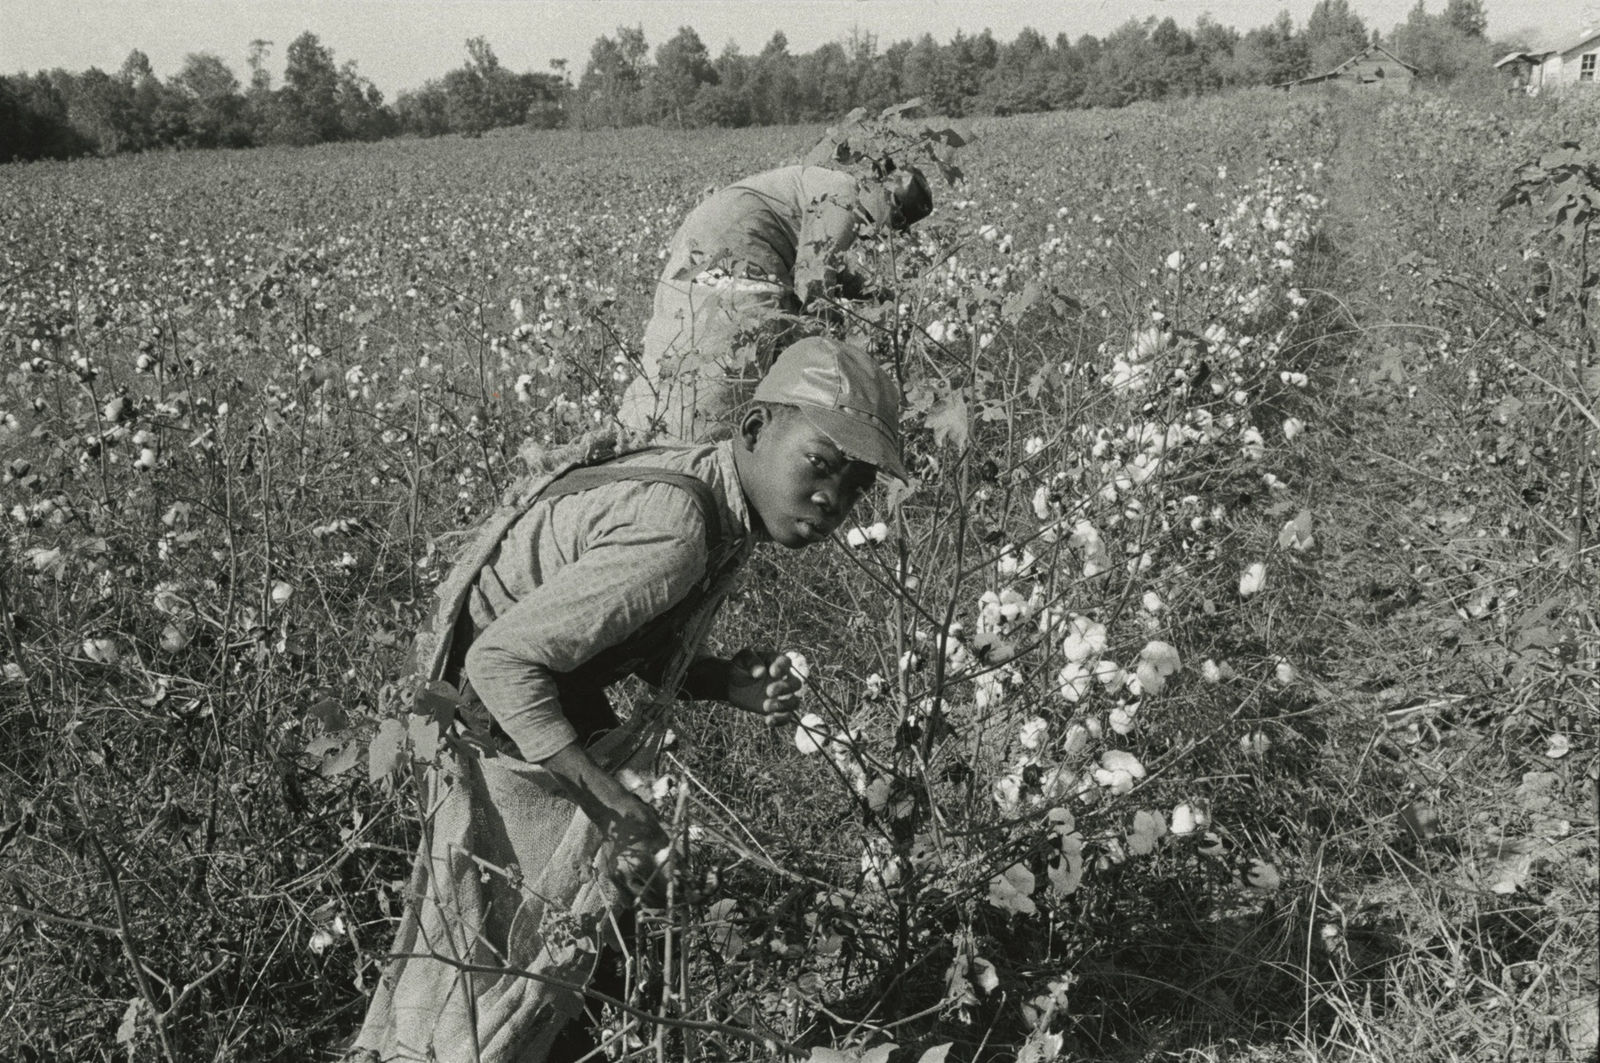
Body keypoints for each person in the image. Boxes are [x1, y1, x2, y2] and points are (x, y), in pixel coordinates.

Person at [350, 336, 909, 1063]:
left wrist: (716, 680)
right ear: (754, 428)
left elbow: (607, 629)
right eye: (820, 464)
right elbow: (502, 661)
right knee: (509, 977)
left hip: (526, 692)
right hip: (496, 710)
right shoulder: (677, 532)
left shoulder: (719, 494)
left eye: (856, 484)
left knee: (559, 952)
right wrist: (607, 802)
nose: (834, 499)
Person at [617, 163, 932, 443]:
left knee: (673, 371)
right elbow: (813, 282)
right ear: (884, 192)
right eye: (896, 219)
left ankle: (638, 446)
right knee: (724, 385)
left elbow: (824, 262)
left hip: (700, 252)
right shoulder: (845, 195)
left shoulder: (831, 184)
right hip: (736, 260)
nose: (886, 233)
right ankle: (686, 462)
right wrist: (838, 346)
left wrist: (876, 294)